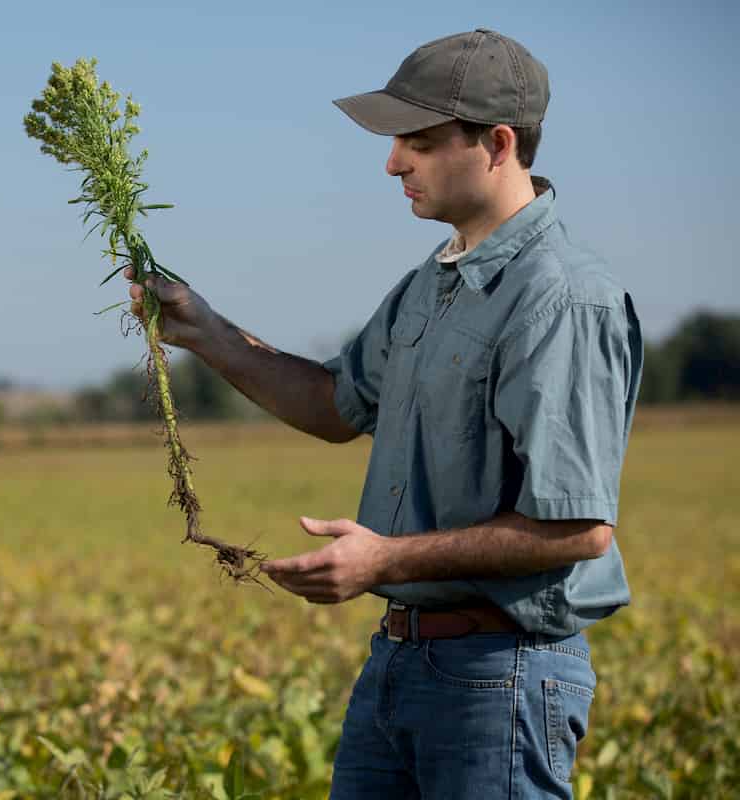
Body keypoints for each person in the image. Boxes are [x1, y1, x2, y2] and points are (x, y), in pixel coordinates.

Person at [123, 28, 643, 800]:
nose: (394, 162)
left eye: (420, 142)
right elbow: (337, 404)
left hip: (501, 677)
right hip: (399, 665)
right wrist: (203, 329)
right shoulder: (430, 283)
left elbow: (577, 529)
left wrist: (384, 561)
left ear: (498, 144)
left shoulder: (561, 297)